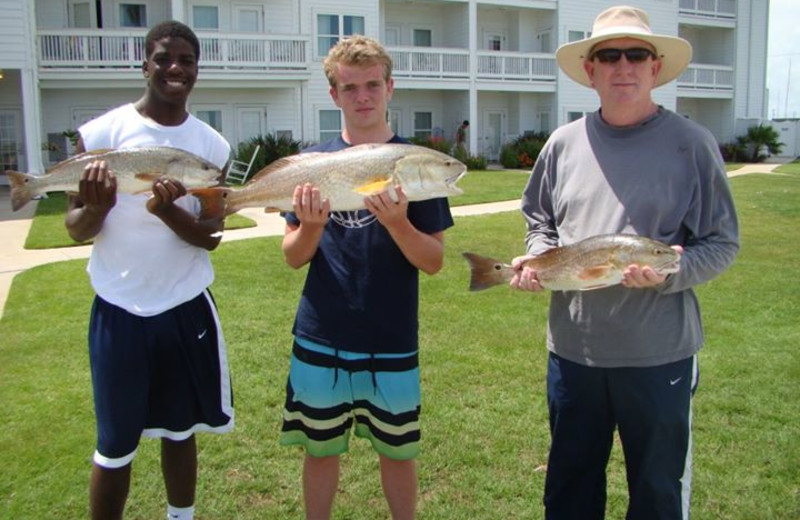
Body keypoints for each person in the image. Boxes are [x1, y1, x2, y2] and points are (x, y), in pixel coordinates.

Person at [510, 6, 739, 519]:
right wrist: (539, 259)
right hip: (574, 353)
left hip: (659, 357)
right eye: (608, 55)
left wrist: (671, 271)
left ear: (655, 67)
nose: (623, 66)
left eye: (636, 54)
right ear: (589, 70)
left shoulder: (692, 145)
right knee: (570, 491)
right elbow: (539, 219)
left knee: (657, 494)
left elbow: (721, 243)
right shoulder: (562, 144)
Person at [279, 35, 454, 520]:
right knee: (320, 448)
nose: (363, 97)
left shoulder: (416, 166)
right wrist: (310, 226)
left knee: (398, 451)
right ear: (333, 95)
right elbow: (294, 257)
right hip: (322, 331)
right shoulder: (313, 164)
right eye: (350, 87)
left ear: (390, 87)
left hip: (391, 334)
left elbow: (434, 260)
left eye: (372, 85)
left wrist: (398, 222)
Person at [65, 21, 233, 520]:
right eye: (163, 58)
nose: (175, 68)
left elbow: (212, 235)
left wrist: (167, 211)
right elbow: (76, 226)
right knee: (115, 443)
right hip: (118, 307)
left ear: (197, 70)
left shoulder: (212, 147)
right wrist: (96, 207)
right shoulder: (102, 134)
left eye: (186, 60)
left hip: (184, 305)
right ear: (146, 65)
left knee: (180, 432)